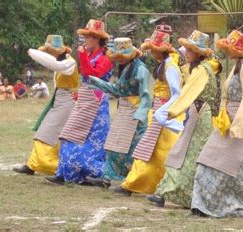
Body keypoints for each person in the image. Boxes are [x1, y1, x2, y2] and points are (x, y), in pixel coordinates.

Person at [190, 30, 243, 218]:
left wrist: (241, 122)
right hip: (228, 121)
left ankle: (237, 205)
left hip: (238, 123)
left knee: (235, 166)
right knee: (209, 160)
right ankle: (204, 203)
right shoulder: (237, 66)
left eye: (229, 48)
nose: (226, 51)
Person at [146, 30, 221, 208]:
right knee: (183, 153)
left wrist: (171, 111)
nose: (185, 52)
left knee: (191, 155)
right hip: (196, 113)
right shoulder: (196, 68)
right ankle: (167, 192)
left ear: (198, 53)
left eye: (189, 49)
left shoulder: (202, 70)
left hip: (199, 114)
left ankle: (188, 196)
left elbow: (188, 93)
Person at [111, 28, 183, 196]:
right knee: (150, 149)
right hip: (160, 109)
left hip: (165, 111)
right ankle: (134, 183)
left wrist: (164, 110)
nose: (151, 52)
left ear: (161, 49)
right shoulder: (165, 63)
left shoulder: (170, 66)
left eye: (153, 49)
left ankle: (144, 184)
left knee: (160, 149)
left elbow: (176, 92)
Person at [46, 19, 113, 185]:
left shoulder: (106, 58)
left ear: (98, 39)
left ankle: (97, 175)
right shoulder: (90, 54)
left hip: (97, 103)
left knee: (94, 140)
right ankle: (64, 172)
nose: (85, 40)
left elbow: (93, 76)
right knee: (69, 134)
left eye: (89, 37)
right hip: (85, 99)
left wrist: (82, 55)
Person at [85, 37, 151, 187]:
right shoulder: (125, 68)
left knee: (132, 148)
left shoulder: (141, 69)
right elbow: (116, 89)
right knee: (112, 145)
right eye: (117, 57)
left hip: (135, 113)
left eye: (122, 56)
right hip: (123, 111)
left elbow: (146, 94)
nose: (119, 60)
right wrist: (98, 82)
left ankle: (132, 180)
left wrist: (141, 114)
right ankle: (106, 178)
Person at [12, 35, 79, 176]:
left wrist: (33, 52)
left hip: (67, 101)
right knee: (50, 131)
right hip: (60, 99)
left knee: (47, 132)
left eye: (49, 50)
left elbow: (55, 65)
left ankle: (48, 166)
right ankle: (34, 164)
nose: (48, 53)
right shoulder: (62, 61)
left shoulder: (69, 62)